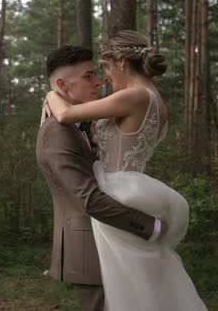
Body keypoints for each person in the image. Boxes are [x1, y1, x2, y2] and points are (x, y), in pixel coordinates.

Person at [44, 30, 207, 310]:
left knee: (127, 290)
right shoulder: (156, 100)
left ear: (121, 62)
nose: (104, 78)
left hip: (116, 191)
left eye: (105, 68)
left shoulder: (135, 96)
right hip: (133, 187)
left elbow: (65, 114)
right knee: (144, 286)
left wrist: (50, 93)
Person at [36, 45, 168, 311]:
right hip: (89, 246)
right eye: (88, 76)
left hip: (111, 238)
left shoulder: (81, 124)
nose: (98, 81)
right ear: (62, 84)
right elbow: (89, 199)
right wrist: (151, 227)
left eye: (97, 73)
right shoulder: (56, 132)